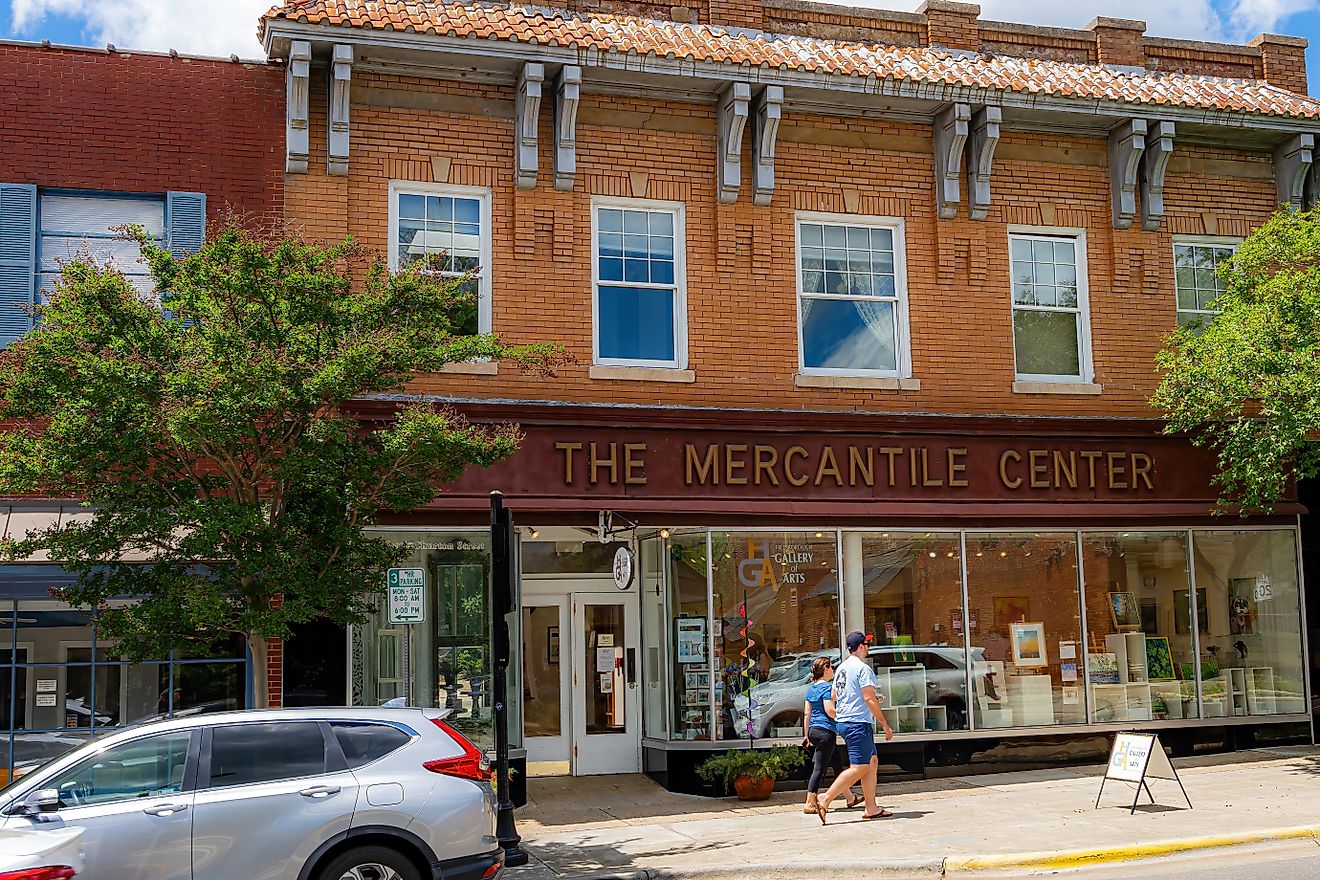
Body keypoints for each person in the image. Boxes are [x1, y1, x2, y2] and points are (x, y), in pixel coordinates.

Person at [815, 631, 895, 823]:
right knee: (860, 767)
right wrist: (885, 724)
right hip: (857, 722)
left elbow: (835, 696)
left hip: (845, 721)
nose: (868, 648)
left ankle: (871, 807)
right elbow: (868, 697)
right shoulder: (863, 668)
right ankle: (825, 798)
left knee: (871, 762)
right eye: (867, 644)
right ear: (861, 647)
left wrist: (868, 699)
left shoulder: (842, 668)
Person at [802, 656, 863, 814]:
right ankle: (809, 802)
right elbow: (829, 710)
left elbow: (807, 714)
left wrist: (806, 735)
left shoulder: (811, 689)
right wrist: (845, 717)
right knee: (819, 769)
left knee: (837, 764)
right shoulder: (826, 688)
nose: (833, 671)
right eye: (832, 667)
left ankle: (850, 798)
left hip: (814, 731)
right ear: (826, 669)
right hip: (826, 732)